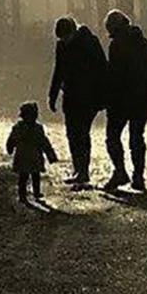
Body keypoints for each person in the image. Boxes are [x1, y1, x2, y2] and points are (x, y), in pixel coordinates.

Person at [103, 9, 147, 192]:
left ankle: (120, 171)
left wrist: (108, 97)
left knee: (113, 136)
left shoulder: (117, 45)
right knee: (137, 138)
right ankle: (138, 176)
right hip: (142, 98)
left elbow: (114, 75)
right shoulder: (144, 43)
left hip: (121, 100)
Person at [48, 15, 108, 188]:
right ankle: (79, 170)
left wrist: (102, 97)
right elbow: (58, 70)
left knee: (81, 133)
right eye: (61, 38)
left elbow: (102, 69)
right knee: (72, 133)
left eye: (66, 37)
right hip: (71, 96)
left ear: (73, 31)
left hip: (88, 97)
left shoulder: (89, 42)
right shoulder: (62, 45)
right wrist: (52, 95)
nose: (64, 41)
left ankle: (82, 171)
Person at [6, 101, 58, 205]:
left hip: (28, 156)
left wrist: (50, 154)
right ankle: (24, 194)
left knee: (33, 176)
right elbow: (12, 139)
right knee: (25, 177)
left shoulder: (23, 128)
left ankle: (34, 193)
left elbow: (44, 142)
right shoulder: (24, 128)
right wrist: (10, 147)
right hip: (29, 156)